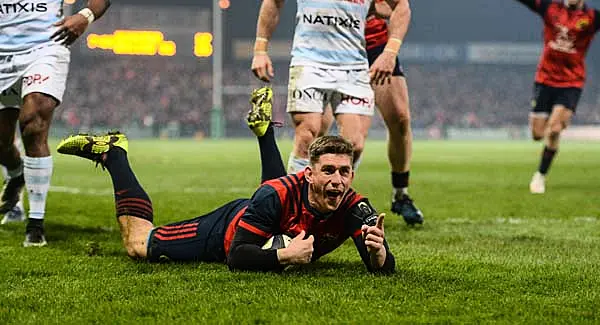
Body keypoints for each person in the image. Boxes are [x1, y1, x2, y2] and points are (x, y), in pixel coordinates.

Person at [56, 87, 395, 273]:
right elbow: (237, 256)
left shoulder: (354, 206)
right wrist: (285, 256)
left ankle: (264, 133)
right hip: (225, 231)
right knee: (137, 246)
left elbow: (382, 267)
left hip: (274, 214)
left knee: (278, 201)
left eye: (344, 172)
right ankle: (114, 155)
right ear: (309, 173)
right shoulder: (275, 195)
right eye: (329, 171)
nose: (338, 181)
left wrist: (378, 254)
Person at [250, 0, 411, 175]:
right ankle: (297, 200)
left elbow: (398, 6)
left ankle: (332, 196)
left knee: (354, 145)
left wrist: (389, 52)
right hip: (309, 61)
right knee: (307, 134)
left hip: (353, 65)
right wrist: (260, 50)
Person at [0, 0, 111, 246]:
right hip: (3, 52)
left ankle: (35, 225)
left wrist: (85, 16)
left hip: (46, 45)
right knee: (2, 144)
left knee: (33, 122)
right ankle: (17, 174)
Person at [321, 0, 423, 225]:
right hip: (338, 46)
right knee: (352, 139)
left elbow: (392, 7)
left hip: (375, 46)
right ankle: (329, 201)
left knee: (400, 118)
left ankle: (401, 194)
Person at [513, 0, 600, 194]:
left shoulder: (592, 18)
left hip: (571, 82)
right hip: (545, 79)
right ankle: (550, 145)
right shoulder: (550, 8)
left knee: (554, 130)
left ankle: (540, 176)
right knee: (537, 134)